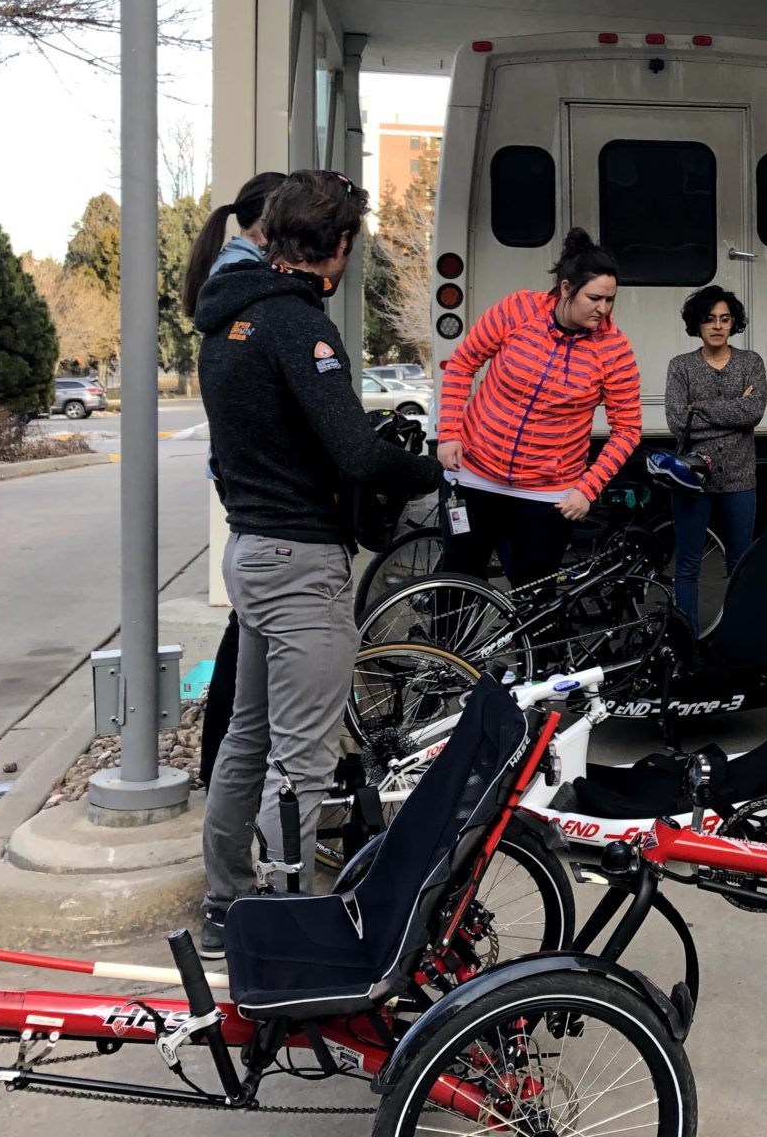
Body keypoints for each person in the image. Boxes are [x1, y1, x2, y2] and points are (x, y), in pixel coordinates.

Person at [193, 170, 445, 954]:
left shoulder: (227, 317)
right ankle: (289, 929)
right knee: (299, 760)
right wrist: (436, 468)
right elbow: (355, 453)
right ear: (336, 248)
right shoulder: (296, 326)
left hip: (252, 549)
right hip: (299, 562)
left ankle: (227, 902)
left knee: (249, 737)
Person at [436, 228, 642, 591]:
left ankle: (535, 651)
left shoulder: (614, 348)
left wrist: (587, 488)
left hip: (547, 491)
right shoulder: (518, 309)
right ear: (566, 289)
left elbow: (627, 430)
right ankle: (445, 649)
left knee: (536, 596)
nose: (604, 309)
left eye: (611, 300)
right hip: (474, 474)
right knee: (459, 581)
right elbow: (462, 363)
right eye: (594, 298)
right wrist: (449, 432)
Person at [178, 170, 292, 790]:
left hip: (236, 471)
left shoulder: (232, 271)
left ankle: (221, 759)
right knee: (246, 635)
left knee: (247, 632)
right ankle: (222, 761)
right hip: (251, 479)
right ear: (269, 221)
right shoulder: (244, 281)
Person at [663, 285, 766, 628]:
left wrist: (700, 409)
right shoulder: (681, 367)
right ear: (698, 324)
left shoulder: (751, 362)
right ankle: (687, 641)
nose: (718, 326)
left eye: (725, 319)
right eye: (709, 320)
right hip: (690, 479)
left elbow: (753, 412)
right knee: (688, 566)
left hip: (740, 477)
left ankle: (736, 639)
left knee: (740, 562)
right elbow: (678, 421)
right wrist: (733, 411)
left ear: (734, 323)